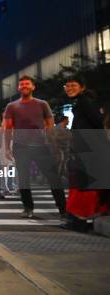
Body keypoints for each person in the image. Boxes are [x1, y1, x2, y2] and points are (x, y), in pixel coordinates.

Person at [4, 75, 66, 218]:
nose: (24, 86)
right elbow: (8, 128)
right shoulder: (11, 106)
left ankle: (63, 209)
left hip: (41, 145)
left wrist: (52, 143)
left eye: (27, 84)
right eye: (22, 84)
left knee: (54, 178)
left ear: (33, 87)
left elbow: (50, 125)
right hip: (20, 146)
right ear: (18, 88)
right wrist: (7, 148)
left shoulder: (42, 104)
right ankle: (28, 208)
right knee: (23, 179)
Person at [61, 76, 109, 232]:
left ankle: (79, 219)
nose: (69, 88)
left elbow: (97, 122)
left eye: (73, 85)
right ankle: (83, 218)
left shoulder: (84, 102)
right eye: (67, 86)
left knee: (83, 185)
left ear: (82, 87)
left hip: (89, 150)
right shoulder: (81, 102)